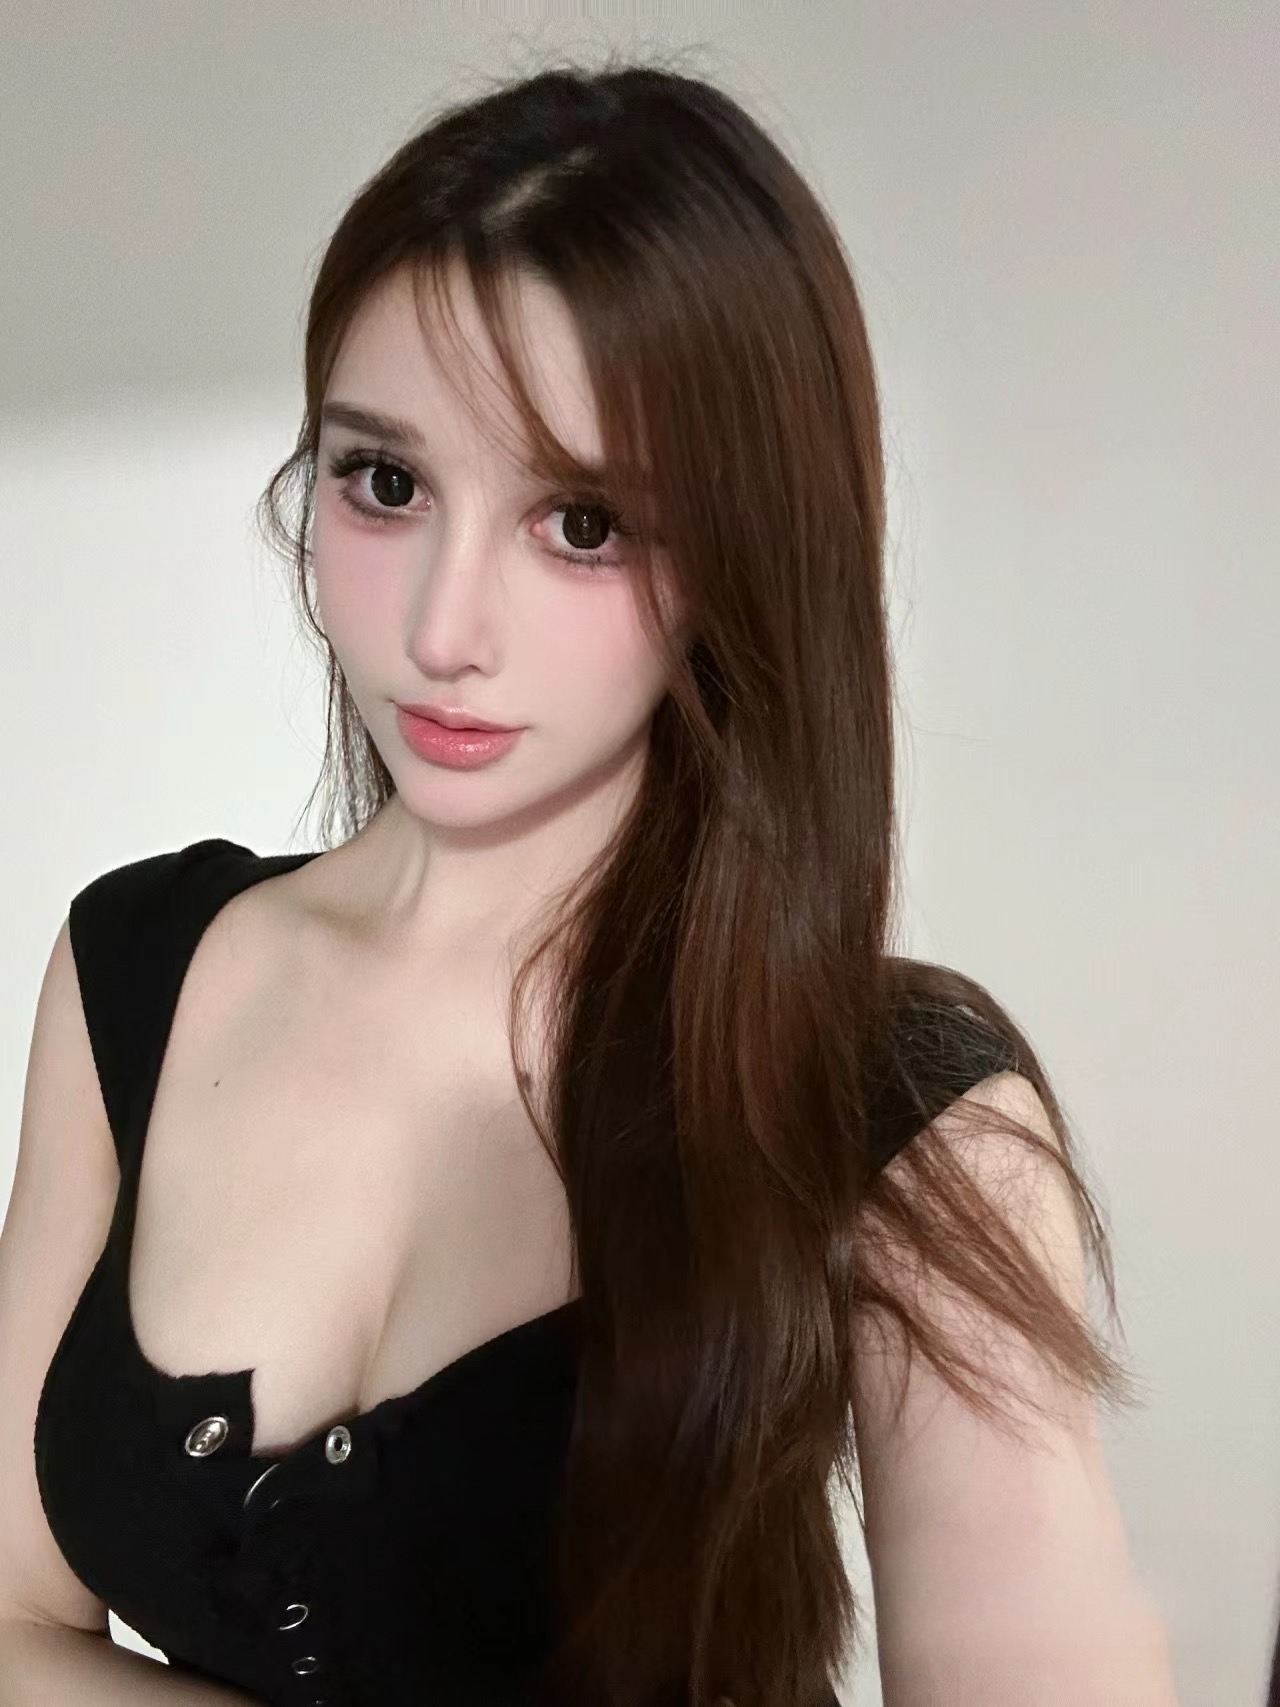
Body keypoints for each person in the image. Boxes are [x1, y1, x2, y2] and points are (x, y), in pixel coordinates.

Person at [0, 53, 1179, 1707]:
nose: (443, 631)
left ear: (749, 556)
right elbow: (12, 1626)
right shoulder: (137, 965)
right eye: (386, 483)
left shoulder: (906, 1120)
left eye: (582, 524)